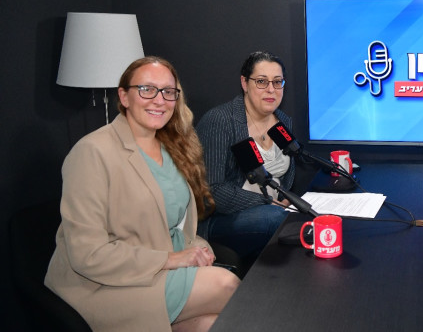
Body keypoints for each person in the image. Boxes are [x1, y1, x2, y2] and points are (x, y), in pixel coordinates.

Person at [45, 56, 240, 332]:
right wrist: (172, 259)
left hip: (160, 271)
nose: (159, 100)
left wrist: (195, 249)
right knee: (227, 285)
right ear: (124, 97)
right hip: (103, 285)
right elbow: (88, 254)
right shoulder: (91, 152)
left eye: (168, 91)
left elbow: (171, 225)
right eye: (147, 89)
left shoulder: (173, 148)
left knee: (211, 325)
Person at [196, 51, 293, 261]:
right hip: (223, 218)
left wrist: (285, 199)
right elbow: (211, 191)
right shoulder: (220, 120)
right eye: (261, 81)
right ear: (244, 83)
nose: (271, 89)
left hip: (276, 209)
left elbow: (286, 176)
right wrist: (268, 202)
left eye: (277, 82)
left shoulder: (284, 121)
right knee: (275, 219)